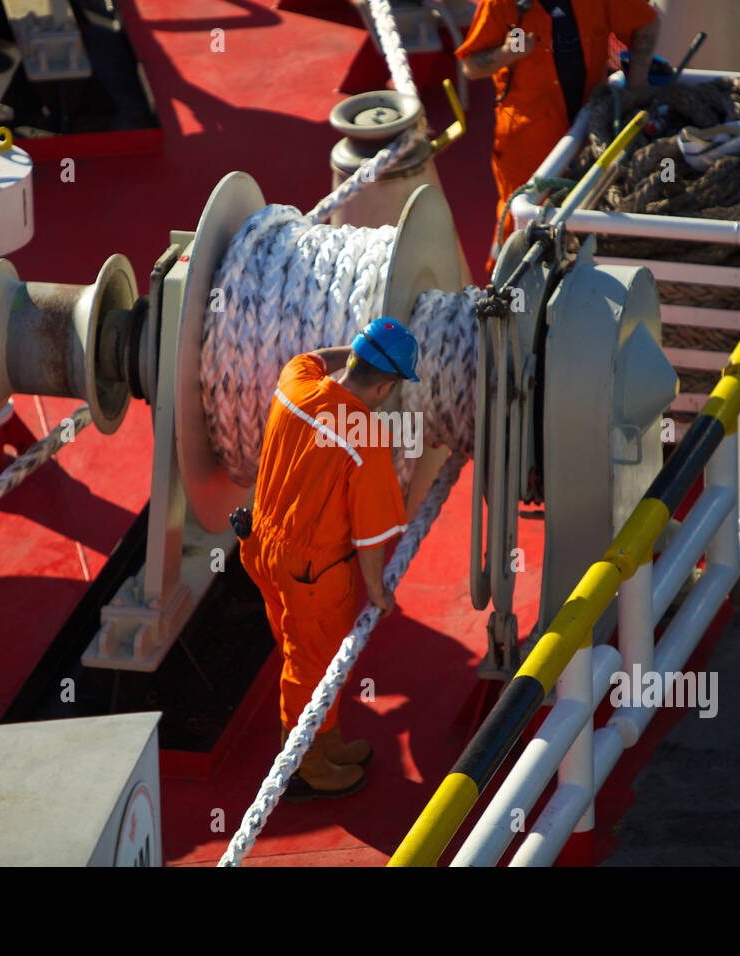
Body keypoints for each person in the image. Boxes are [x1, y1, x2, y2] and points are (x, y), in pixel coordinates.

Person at [240, 317, 421, 802]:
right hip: (313, 572)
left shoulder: (294, 382)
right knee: (312, 664)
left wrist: (366, 350)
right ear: (385, 387)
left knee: (297, 648)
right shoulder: (367, 439)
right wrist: (379, 593)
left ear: (356, 359)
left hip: (260, 545)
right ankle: (304, 765)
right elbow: (369, 537)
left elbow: (320, 354)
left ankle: (326, 739)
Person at [456, 0, 661, 271]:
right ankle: (508, 288)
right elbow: (472, 65)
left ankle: (579, 284)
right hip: (527, 140)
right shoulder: (500, 5)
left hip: (590, 129)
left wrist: (636, 84)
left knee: (590, 212)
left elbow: (646, 22)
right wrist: (507, 52)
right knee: (519, 220)